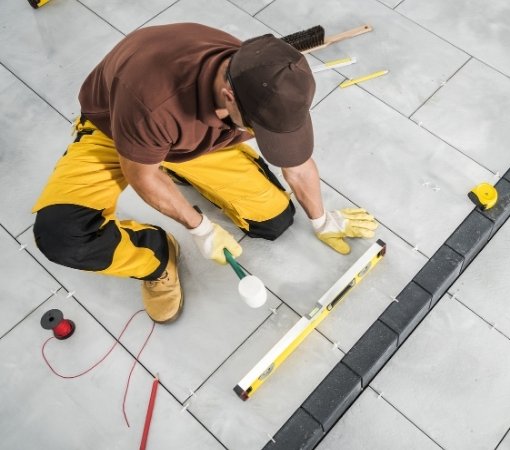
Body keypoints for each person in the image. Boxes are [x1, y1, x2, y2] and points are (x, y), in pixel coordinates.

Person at [31, 23, 378, 324]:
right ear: (228, 97)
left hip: (192, 141)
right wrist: (201, 229)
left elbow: (297, 165)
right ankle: (155, 257)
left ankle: (181, 168)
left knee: (272, 222)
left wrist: (321, 220)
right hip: (119, 133)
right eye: (261, 131)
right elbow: (143, 177)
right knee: (63, 236)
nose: (266, 137)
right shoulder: (151, 102)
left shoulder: (262, 77)